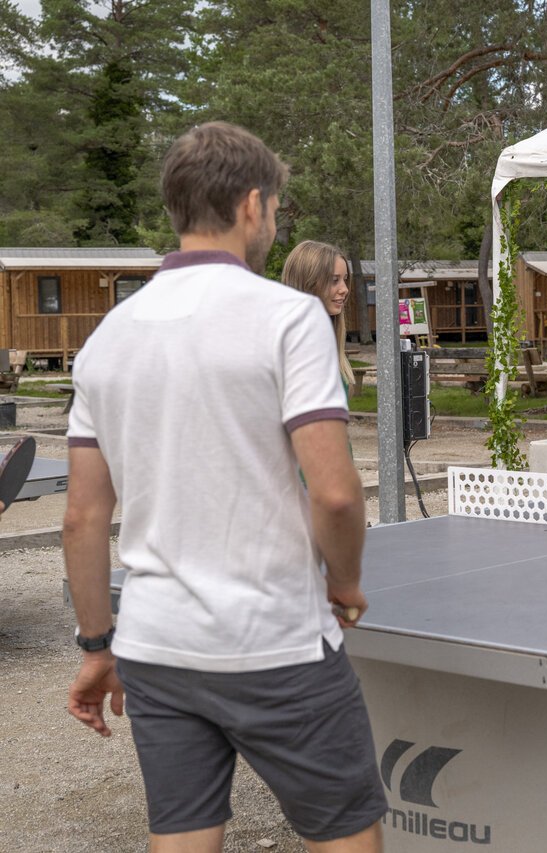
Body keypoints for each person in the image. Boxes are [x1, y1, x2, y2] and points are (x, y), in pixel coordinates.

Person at [63, 122, 386, 851]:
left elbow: (83, 517)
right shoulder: (289, 316)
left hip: (155, 645)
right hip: (275, 641)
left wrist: (95, 644)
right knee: (345, 837)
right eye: (273, 207)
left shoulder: (107, 337)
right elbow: (335, 493)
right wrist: (346, 581)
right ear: (250, 205)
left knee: (181, 838)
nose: (273, 221)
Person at [282, 240, 356, 392]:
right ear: (307, 283)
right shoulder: (291, 350)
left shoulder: (327, 340)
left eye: (345, 279)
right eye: (334, 280)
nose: (345, 289)